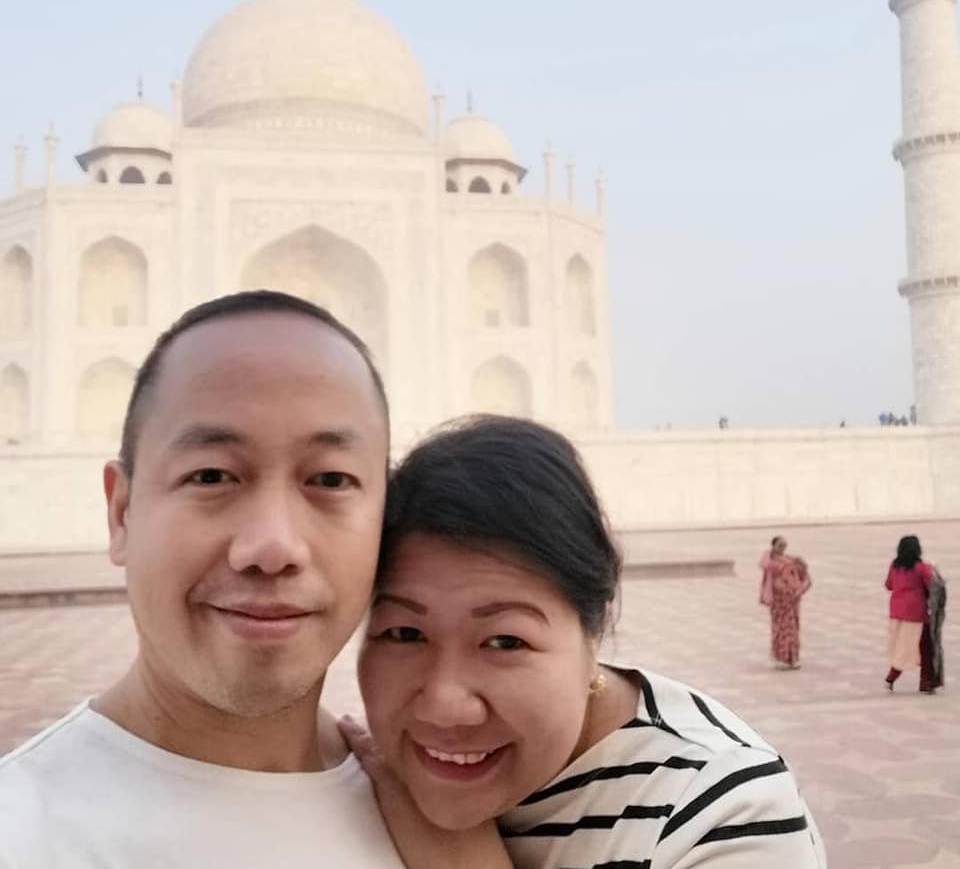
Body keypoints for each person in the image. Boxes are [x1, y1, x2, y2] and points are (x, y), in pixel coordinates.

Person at [0, 291, 404, 867]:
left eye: (331, 480)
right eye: (211, 475)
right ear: (122, 513)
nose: (272, 547)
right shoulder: (24, 835)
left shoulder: (442, 811)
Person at [345, 415, 827, 868]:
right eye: (405, 633)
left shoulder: (721, 810)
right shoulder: (348, 781)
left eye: (505, 642)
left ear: (592, 634)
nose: (446, 706)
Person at [884, 534, 942, 693]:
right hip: (916, 613)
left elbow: (888, 585)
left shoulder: (894, 566)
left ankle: (891, 678)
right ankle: (926, 683)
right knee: (925, 649)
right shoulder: (921, 567)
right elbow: (933, 586)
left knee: (902, 647)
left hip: (896, 612)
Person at [758, 535, 811, 669]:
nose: (782, 548)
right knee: (781, 628)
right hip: (779, 601)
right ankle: (781, 658)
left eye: (784, 545)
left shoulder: (789, 560)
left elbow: (803, 573)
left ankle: (792, 658)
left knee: (792, 628)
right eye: (780, 545)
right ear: (773, 546)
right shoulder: (770, 561)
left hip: (792, 600)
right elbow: (765, 564)